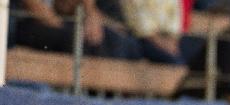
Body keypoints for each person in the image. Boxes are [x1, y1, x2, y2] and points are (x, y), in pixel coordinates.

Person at [13, 0, 142, 59]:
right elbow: (35, 7)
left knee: (113, 40)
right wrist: (63, 24)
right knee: (74, 38)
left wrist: (90, 16)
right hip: (25, 19)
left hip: (60, 20)